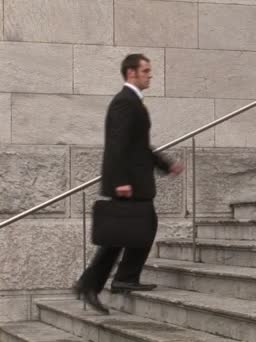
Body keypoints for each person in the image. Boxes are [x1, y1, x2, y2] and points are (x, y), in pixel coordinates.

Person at [74, 54, 184, 314]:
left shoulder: (133, 101)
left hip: (135, 181)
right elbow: (117, 143)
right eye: (146, 70)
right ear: (131, 73)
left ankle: (117, 279)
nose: (150, 75)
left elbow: (138, 145)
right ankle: (96, 283)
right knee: (128, 233)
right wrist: (121, 180)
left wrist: (165, 164)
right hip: (129, 184)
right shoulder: (125, 102)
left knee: (125, 234)